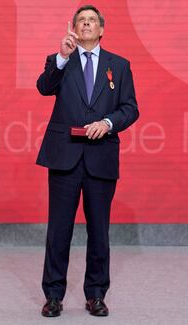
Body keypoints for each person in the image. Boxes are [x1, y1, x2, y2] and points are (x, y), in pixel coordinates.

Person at [36, 5, 139, 317]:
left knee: (99, 231)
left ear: (102, 29)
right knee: (59, 231)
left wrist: (107, 122)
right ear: (74, 28)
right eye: (81, 20)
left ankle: (96, 294)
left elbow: (130, 108)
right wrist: (62, 57)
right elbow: (44, 87)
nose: (87, 24)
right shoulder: (60, 61)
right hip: (65, 156)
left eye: (92, 20)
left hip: (101, 157)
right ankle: (53, 296)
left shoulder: (119, 66)